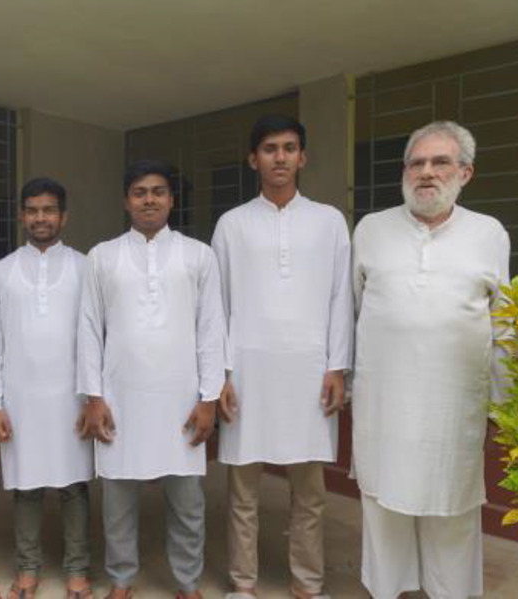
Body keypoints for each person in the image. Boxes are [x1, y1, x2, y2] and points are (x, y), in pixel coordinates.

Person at [351, 121, 510, 599]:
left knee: (452, 510)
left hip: (453, 404)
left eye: (440, 162)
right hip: (385, 401)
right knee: (384, 506)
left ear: (465, 173)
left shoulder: (488, 233)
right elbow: (354, 309)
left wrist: (504, 405)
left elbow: (504, 320)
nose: (426, 172)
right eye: (416, 163)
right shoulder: (371, 229)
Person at [212, 115, 353, 599]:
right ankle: (243, 585)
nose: (280, 157)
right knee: (243, 493)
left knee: (310, 494)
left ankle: (307, 585)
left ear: (302, 157)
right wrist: (221, 375)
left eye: (289, 148)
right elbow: (219, 305)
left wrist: (337, 366)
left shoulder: (330, 221)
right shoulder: (232, 224)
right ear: (254, 159)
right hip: (248, 373)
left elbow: (341, 298)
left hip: (310, 373)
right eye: (269, 148)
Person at [76, 159, 225, 599]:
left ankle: (187, 582)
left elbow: (212, 328)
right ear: (126, 201)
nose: (149, 200)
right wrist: (94, 396)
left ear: (171, 200)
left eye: (158, 191)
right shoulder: (102, 256)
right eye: (140, 192)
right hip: (120, 395)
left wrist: (209, 398)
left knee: (188, 502)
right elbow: (88, 328)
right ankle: (121, 580)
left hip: (181, 397)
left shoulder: (199, 255)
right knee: (118, 498)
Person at [0, 177, 94, 599]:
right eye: (32, 210)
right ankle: (28, 569)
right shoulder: (1, 272)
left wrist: (93, 397)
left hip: (73, 397)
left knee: (74, 487)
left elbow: (96, 338)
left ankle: (78, 571)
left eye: (49, 210)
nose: (40, 218)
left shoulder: (86, 267)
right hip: (20, 398)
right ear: (21, 216)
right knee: (26, 486)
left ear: (63, 216)